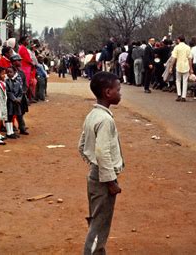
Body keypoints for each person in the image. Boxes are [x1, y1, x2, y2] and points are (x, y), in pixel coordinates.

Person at [78, 71, 124, 254]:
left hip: (95, 175)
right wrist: (110, 181)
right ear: (108, 92)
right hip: (103, 179)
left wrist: (92, 165)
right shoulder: (105, 120)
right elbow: (102, 152)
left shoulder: (93, 115)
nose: (120, 93)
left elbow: (81, 145)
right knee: (100, 224)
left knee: (96, 219)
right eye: (118, 90)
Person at [169, 35, 192, 102]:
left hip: (178, 66)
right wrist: (191, 68)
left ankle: (179, 94)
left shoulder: (176, 47)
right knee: (185, 81)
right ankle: (183, 96)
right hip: (186, 66)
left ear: (178, 40)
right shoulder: (188, 47)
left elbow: (174, 58)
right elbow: (190, 58)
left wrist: (171, 66)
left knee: (178, 80)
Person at [5, 66, 23, 139]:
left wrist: (19, 99)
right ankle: (8, 132)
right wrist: (14, 99)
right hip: (10, 102)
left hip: (16, 103)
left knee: (12, 116)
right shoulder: (6, 82)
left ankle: (11, 131)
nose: (9, 73)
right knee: (8, 116)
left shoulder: (17, 82)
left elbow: (20, 92)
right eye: (8, 72)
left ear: (14, 73)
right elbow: (8, 92)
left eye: (11, 72)